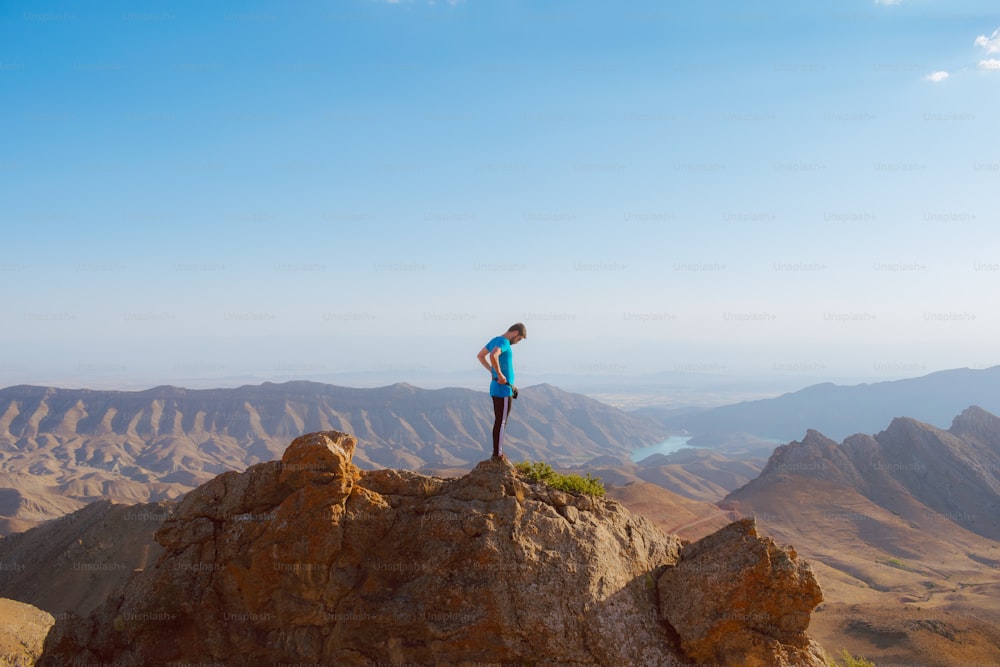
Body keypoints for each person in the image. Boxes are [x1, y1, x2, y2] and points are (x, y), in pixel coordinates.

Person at [476, 323, 527, 459]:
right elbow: (493, 355)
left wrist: (493, 372)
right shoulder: (504, 342)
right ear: (516, 333)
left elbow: (480, 356)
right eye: (519, 339)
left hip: (496, 388)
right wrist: (499, 374)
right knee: (501, 422)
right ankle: (498, 454)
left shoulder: (495, 340)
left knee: (499, 421)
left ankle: (496, 452)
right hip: (503, 390)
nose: (517, 342)